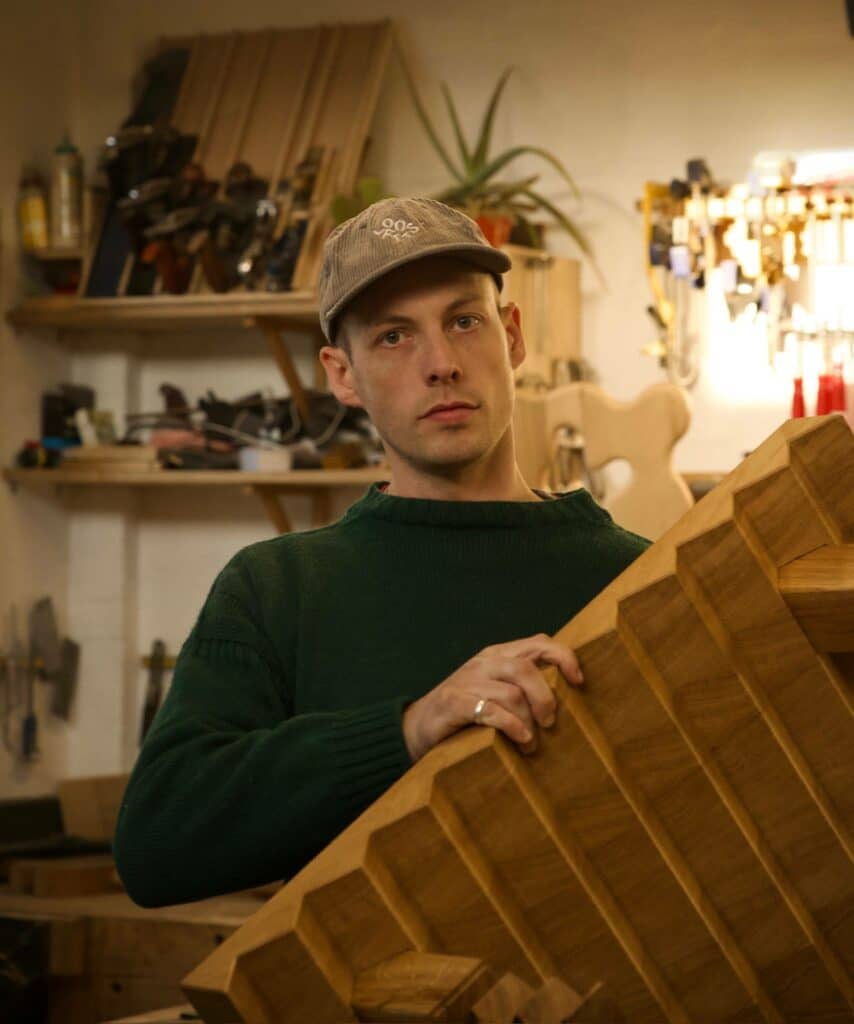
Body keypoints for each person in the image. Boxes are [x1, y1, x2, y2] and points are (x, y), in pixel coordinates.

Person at [113, 197, 649, 908]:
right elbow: (156, 847)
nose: (442, 364)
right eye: (394, 337)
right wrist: (406, 732)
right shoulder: (276, 589)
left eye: (464, 321)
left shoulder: (635, 579)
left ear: (512, 336)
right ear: (343, 375)